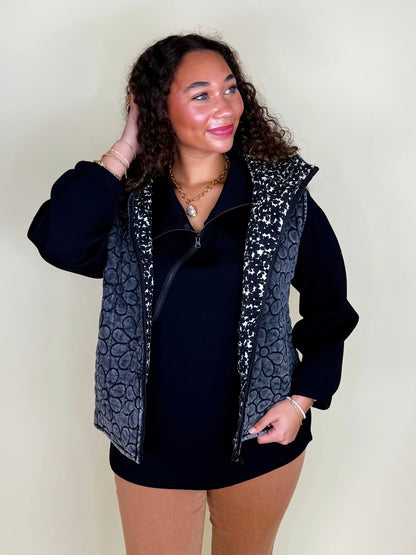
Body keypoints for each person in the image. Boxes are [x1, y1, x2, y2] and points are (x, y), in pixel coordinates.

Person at [28, 33, 359, 555]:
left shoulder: (281, 196)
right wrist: (126, 146)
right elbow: (60, 242)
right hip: (150, 443)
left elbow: (330, 308)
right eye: (201, 94)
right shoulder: (126, 200)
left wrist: (300, 402)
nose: (225, 107)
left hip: (259, 437)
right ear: (157, 107)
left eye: (230, 88)